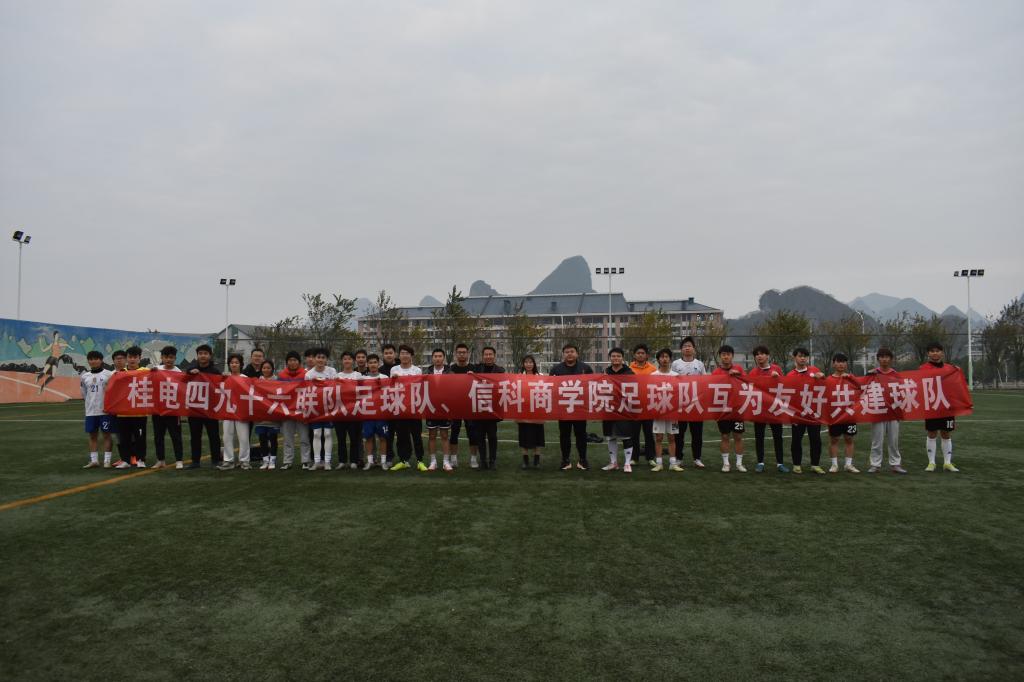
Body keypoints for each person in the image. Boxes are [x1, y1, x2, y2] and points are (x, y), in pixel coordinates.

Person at [549, 344, 594, 470]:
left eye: (572, 351)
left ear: (577, 354)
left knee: (581, 435)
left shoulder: (585, 368)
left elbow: (592, 385)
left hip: (580, 408)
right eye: (567, 352)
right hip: (563, 408)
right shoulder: (556, 369)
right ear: (563, 354)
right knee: (564, 435)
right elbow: (550, 387)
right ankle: (565, 460)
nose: (569, 354)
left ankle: (583, 460)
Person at [748, 345, 789, 473]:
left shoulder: (776, 369)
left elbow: (785, 385)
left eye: (762, 353)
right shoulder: (753, 372)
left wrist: (778, 378)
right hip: (760, 409)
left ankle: (780, 463)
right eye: (757, 354)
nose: (759, 356)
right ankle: (760, 462)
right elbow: (750, 389)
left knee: (778, 436)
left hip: (774, 408)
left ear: (767, 356)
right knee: (759, 436)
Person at [921, 342, 960, 473]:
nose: (935, 353)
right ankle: (931, 462)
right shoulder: (923, 369)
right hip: (932, 406)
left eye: (937, 351)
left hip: (946, 406)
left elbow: (956, 385)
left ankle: (947, 463)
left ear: (942, 353)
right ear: (928, 353)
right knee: (932, 433)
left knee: (946, 433)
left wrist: (957, 372)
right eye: (932, 351)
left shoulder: (950, 369)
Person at [867, 348, 907, 474]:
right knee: (877, 440)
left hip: (893, 411)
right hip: (878, 410)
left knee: (893, 440)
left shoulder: (896, 374)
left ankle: (895, 464)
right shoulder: (872, 374)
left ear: (891, 359)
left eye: (887, 357)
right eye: (882, 357)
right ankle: (875, 464)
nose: (884, 359)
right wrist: (868, 376)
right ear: (878, 359)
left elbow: (902, 392)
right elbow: (864, 389)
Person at [787, 348, 827, 475]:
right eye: (800, 356)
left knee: (815, 439)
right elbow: (788, 394)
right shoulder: (790, 375)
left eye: (805, 356)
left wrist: (822, 376)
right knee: (796, 440)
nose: (803, 358)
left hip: (813, 413)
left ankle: (815, 465)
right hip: (798, 414)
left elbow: (824, 385)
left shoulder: (814, 371)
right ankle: (796, 465)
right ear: (794, 358)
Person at [183, 344, 222, 469]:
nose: (203, 356)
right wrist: (190, 373)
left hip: (210, 409)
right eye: (200, 353)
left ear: (210, 356)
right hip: (195, 409)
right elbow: (182, 380)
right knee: (195, 436)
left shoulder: (215, 372)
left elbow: (221, 387)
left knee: (214, 435)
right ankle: (195, 461)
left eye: (205, 353)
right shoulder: (192, 369)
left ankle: (216, 460)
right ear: (197, 355)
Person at [389, 345, 427, 472]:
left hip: (414, 408)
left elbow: (419, 387)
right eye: (402, 353)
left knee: (416, 435)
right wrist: (393, 379)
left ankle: (420, 460)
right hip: (399, 407)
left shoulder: (417, 370)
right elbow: (390, 387)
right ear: (399, 355)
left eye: (407, 353)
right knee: (401, 436)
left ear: (411, 355)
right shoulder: (394, 369)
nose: (404, 355)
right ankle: (403, 460)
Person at [671, 337, 706, 468]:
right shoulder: (675, 364)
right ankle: (679, 458)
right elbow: (672, 382)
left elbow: (704, 382)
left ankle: (697, 458)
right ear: (681, 349)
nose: (687, 348)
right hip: (680, 405)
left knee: (697, 434)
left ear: (694, 349)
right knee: (679, 434)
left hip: (696, 404)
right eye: (685, 346)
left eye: (689, 346)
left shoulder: (700, 364)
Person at [114, 346, 151, 469]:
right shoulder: (120, 373)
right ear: (127, 358)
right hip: (123, 412)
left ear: (140, 358)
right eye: (130, 357)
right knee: (124, 438)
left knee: (140, 437)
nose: (132, 359)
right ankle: (125, 460)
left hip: (140, 412)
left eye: (135, 357)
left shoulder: (146, 371)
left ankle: (141, 459)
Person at [711, 344, 745, 473]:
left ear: (732, 356)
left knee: (738, 436)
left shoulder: (739, 369)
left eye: (728, 354)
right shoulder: (716, 372)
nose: (726, 357)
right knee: (725, 436)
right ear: (720, 356)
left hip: (737, 410)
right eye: (723, 354)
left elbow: (747, 384)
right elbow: (711, 390)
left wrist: (738, 375)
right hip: (723, 410)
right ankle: (726, 463)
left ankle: (739, 463)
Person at [601, 348, 635, 472]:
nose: (616, 358)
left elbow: (634, 390)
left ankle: (627, 463)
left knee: (626, 436)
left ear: (622, 358)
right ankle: (613, 462)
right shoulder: (605, 372)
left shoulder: (629, 372)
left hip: (624, 408)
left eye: (618, 356)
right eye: (613, 356)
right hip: (608, 408)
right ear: (610, 358)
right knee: (610, 436)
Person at [151, 345, 185, 469]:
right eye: (166, 357)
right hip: (158, 409)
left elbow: (182, 390)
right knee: (158, 436)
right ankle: (160, 460)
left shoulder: (179, 372)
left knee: (176, 436)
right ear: (162, 357)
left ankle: (179, 460)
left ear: (175, 358)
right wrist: (151, 373)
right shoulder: (156, 370)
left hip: (173, 409)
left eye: (171, 357)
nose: (168, 360)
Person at [80, 350, 114, 469]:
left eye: (96, 359)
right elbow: (84, 393)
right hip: (90, 412)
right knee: (92, 436)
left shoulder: (109, 374)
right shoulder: (85, 376)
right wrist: (89, 404)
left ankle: (107, 460)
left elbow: (113, 392)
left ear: (101, 360)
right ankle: (94, 461)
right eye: (91, 359)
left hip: (105, 411)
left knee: (106, 435)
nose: (93, 361)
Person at [278, 351, 311, 470]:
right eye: (290, 360)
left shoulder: (306, 374)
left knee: (304, 437)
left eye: (295, 360)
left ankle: (305, 460)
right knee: (287, 438)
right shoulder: (281, 375)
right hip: (287, 411)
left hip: (302, 410)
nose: (292, 362)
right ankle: (287, 461)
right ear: (287, 362)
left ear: (299, 362)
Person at [827, 353, 860, 473]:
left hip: (849, 414)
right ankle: (834, 465)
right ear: (833, 363)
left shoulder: (851, 378)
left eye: (843, 362)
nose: (841, 364)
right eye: (838, 361)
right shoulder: (829, 380)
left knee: (849, 438)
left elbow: (861, 387)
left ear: (846, 364)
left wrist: (851, 377)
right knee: (834, 439)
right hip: (835, 415)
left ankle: (848, 464)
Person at [305, 348, 338, 470]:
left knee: (328, 434)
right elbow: (306, 392)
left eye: (323, 357)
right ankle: (317, 461)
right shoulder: (309, 374)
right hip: (315, 409)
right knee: (316, 433)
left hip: (328, 408)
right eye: (318, 357)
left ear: (326, 359)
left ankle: (327, 461)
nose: (320, 360)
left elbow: (337, 388)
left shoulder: (332, 371)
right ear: (314, 359)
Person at [473, 346, 505, 470]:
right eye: (486, 354)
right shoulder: (476, 369)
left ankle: (492, 461)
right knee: (480, 437)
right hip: (479, 408)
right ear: (482, 356)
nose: (488, 356)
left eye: (490, 354)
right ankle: (483, 461)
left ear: (494, 356)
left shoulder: (500, 371)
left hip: (493, 410)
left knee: (492, 436)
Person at [648, 348, 680, 473]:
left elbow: (679, 394)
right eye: (662, 357)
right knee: (659, 437)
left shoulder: (676, 376)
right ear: (658, 360)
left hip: (672, 412)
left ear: (670, 359)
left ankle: (673, 463)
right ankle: (659, 463)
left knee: (672, 437)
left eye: (666, 356)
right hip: (658, 411)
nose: (664, 359)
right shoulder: (653, 376)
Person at [219, 353, 252, 470]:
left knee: (243, 437)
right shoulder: (225, 377)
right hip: (227, 410)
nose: (234, 364)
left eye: (236, 362)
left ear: (241, 364)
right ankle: (228, 460)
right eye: (232, 362)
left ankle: (244, 461)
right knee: (227, 436)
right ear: (229, 364)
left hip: (241, 412)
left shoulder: (245, 378)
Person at [448, 343, 478, 469]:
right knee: (454, 431)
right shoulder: (451, 369)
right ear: (456, 354)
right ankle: (453, 458)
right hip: (455, 405)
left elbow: (482, 384)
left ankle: (473, 458)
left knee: (472, 432)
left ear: (468, 354)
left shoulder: (474, 368)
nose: (461, 354)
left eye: (464, 352)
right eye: (459, 352)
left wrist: (474, 376)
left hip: (470, 405)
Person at [334, 351, 364, 470]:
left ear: (353, 361)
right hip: (340, 412)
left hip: (354, 412)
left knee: (354, 438)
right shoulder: (337, 376)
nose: (347, 361)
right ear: (342, 361)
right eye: (345, 359)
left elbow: (363, 391)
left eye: (349, 359)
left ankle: (354, 460)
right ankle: (342, 461)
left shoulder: (358, 375)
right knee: (341, 438)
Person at [423, 348, 452, 471]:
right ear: (432, 358)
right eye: (435, 356)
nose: (438, 358)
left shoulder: (450, 373)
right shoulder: (427, 373)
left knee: (445, 435)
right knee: (432, 435)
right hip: (431, 407)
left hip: (445, 409)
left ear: (443, 358)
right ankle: (433, 461)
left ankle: (446, 461)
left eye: (440, 356)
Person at [360, 354, 390, 470]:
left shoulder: (384, 377)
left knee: (383, 437)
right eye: (371, 362)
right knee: (368, 437)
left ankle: (383, 461)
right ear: (367, 364)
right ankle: (370, 461)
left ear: (378, 364)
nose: (373, 365)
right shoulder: (363, 379)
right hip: (368, 413)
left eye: (375, 362)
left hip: (381, 412)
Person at [628, 344, 656, 464]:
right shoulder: (629, 369)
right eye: (638, 353)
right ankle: (634, 458)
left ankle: (650, 458)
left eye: (642, 353)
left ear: (646, 355)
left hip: (648, 406)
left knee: (649, 433)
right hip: (634, 406)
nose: (640, 355)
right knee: (634, 434)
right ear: (634, 355)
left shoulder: (653, 369)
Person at [516, 355, 545, 469]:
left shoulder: (540, 376)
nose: (528, 364)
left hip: (537, 410)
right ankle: (525, 461)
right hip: (523, 410)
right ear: (523, 364)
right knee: (524, 436)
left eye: (530, 362)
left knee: (538, 437)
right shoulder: (518, 377)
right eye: (526, 362)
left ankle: (537, 461)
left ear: (534, 364)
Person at [241, 348, 266, 463]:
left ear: (263, 358)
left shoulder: (266, 371)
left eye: (259, 356)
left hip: (262, 406)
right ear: (251, 357)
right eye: (255, 356)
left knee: (263, 432)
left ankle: (265, 456)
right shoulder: (244, 373)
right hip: (247, 406)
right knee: (246, 433)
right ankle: (245, 457)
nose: (257, 358)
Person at [255, 360, 280, 470]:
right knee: (262, 439)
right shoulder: (257, 381)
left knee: (273, 439)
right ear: (261, 369)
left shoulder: (277, 381)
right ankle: (265, 460)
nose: (266, 370)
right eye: (264, 368)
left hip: (273, 415)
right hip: (261, 417)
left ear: (272, 369)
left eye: (268, 368)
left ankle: (272, 460)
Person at [37, 330, 74, 394]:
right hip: (51, 358)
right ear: (54, 336)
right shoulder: (52, 344)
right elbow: (43, 350)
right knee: (44, 372)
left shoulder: (59, 344)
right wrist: (40, 342)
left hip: (56, 360)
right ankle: (38, 377)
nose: (58, 336)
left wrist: (71, 348)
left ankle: (42, 387)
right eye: (57, 335)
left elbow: (66, 345)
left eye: (58, 335)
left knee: (53, 376)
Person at [380, 344, 399, 467]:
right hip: (385, 407)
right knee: (388, 434)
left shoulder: (400, 368)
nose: (388, 355)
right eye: (386, 353)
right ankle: (388, 457)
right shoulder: (380, 370)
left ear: (394, 354)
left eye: (390, 353)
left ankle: (404, 458)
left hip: (400, 406)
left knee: (402, 434)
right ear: (383, 355)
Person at [108, 349, 128, 466]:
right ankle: (123, 457)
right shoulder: (109, 375)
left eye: (122, 358)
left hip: (128, 410)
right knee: (117, 435)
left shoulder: (131, 373)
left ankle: (133, 456)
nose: (119, 361)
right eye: (117, 359)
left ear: (126, 360)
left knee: (130, 435)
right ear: (113, 361)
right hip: (115, 410)